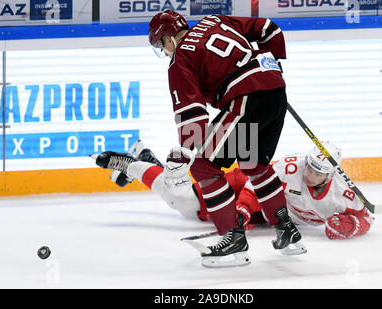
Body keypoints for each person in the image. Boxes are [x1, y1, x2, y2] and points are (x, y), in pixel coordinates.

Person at [94, 10, 306, 267]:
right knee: (253, 165)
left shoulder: (180, 58)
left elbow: (192, 113)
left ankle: (233, 241)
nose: (165, 52)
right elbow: (269, 29)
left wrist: (186, 152)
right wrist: (271, 69)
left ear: (169, 39)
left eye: (162, 46)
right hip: (275, 90)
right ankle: (287, 231)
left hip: (246, 100)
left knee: (204, 165)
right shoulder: (214, 20)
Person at [92, 140, 374, 241]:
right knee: (183, 202)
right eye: (309, 166)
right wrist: (241, 209)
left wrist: (350, 226)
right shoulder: (291, 168)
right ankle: (130, 165)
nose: (309, 174)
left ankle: (146, 159)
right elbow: (256, 184)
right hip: (248, 184)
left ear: (332, 172)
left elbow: (367, 219)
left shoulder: (345, 193)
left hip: (266, 211)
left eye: (318, 171)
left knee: (186, 203)